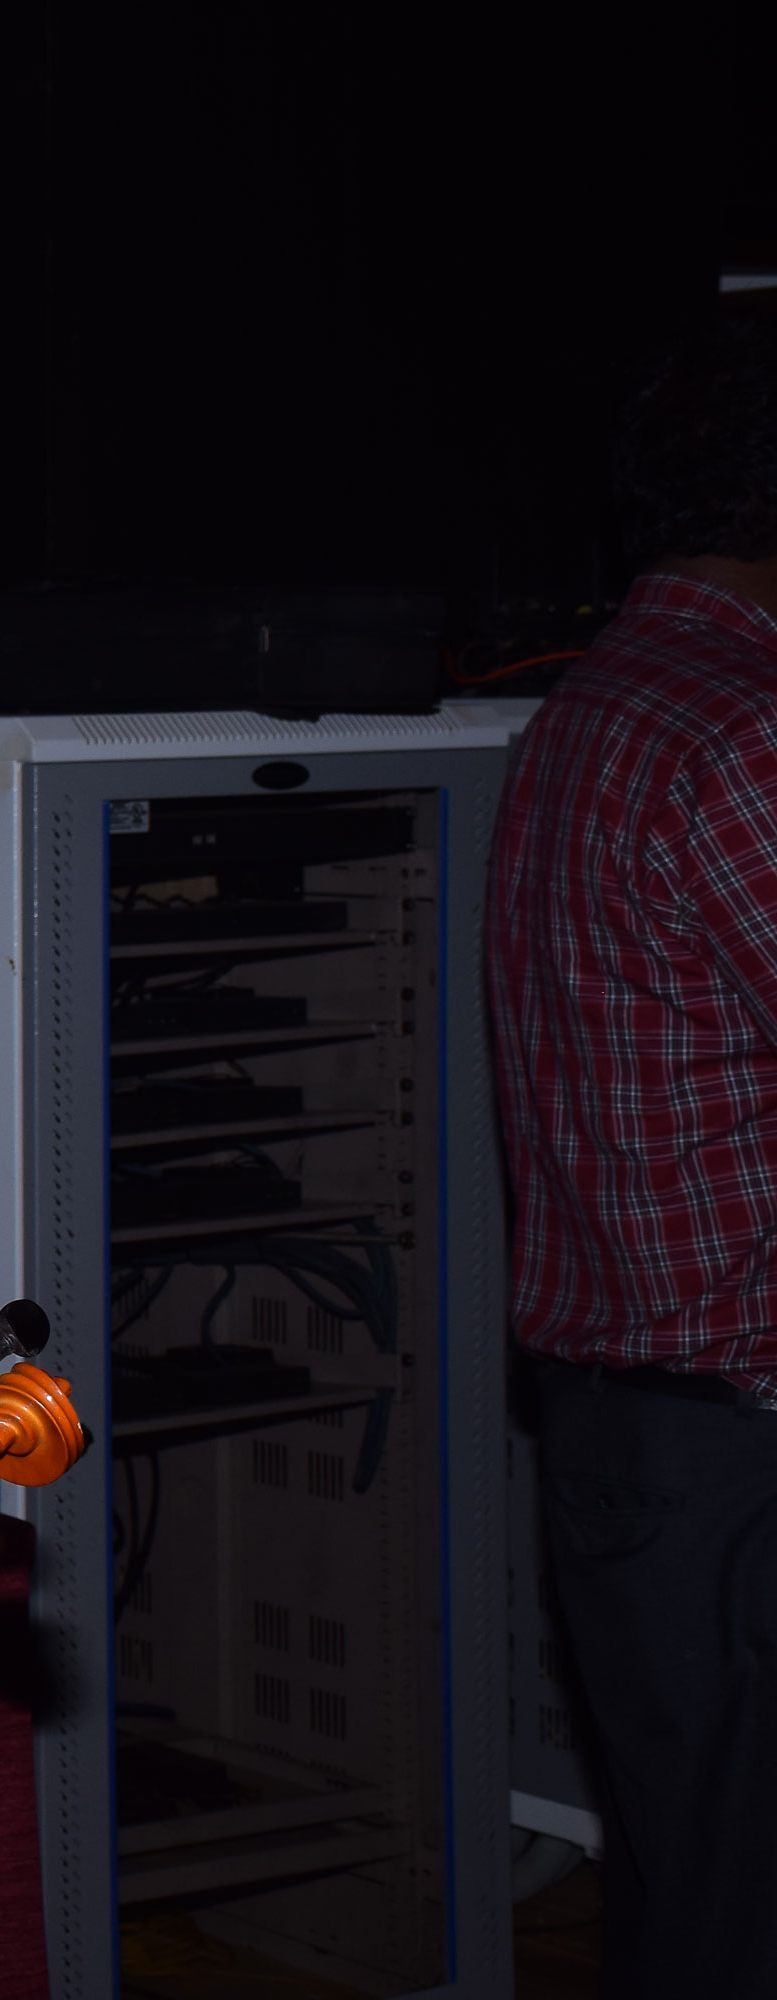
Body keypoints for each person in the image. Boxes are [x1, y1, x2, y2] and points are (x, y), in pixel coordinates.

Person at [487, 307, 777, 1995]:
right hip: (738, 1444)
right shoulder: (745, 732)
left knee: (692, 1894)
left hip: (624, 1427)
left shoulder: (592, 709)